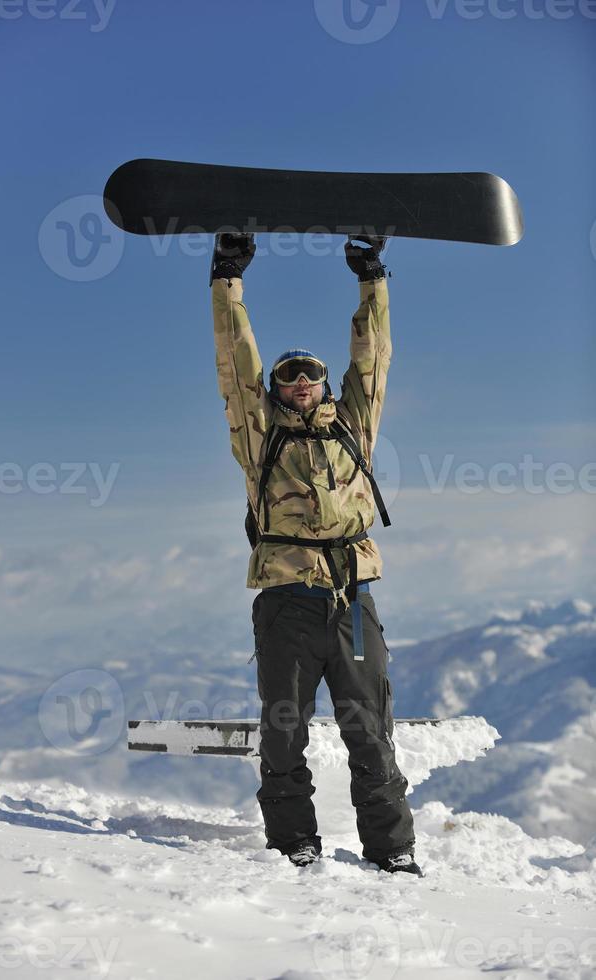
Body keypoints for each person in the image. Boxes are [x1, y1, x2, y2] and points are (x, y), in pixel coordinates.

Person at [211, 232, 421, 876]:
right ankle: (293, 843)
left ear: (325, 384)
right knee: (283, 731)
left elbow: (374, 360)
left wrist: (371, 278)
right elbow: (233, 361)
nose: (301, 381)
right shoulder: (260, 436)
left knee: (371, 732)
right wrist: (228, 280)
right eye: (287, 374)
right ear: (275, 388)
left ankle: (392, 850)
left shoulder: (352, 428)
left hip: (354, 601)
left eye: (311, 373)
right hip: (287, 603)